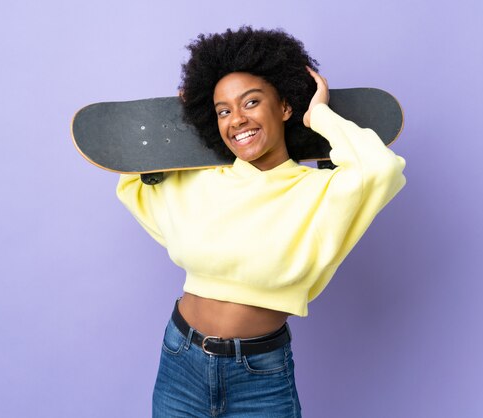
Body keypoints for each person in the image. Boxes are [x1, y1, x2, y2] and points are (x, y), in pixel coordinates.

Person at [116, 27, 406, 417]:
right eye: (223, 110)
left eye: (251, 102)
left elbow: (380, 169)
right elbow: (132, 173)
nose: (237, 119)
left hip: (260, 376)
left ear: (285, 108)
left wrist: (319, 113)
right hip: (180, 360)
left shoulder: (319, 192)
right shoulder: (201, 184)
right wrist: (178, 120)